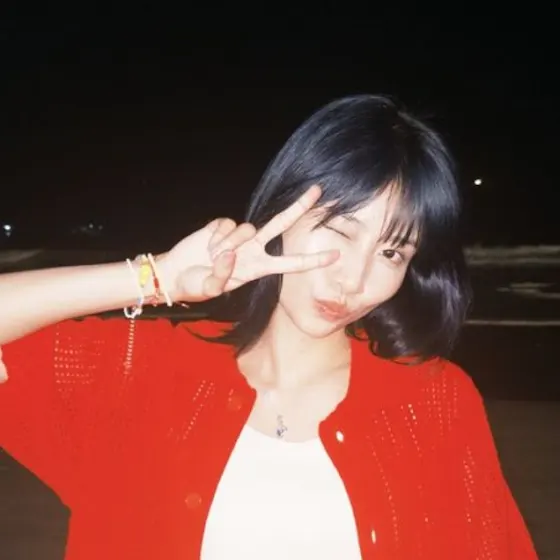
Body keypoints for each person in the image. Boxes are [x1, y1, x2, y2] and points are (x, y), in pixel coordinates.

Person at [0, 95, 537, 559]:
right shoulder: (141, 371)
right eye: (339, 230)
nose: (353, 279)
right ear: (284, 211)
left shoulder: (433, 402)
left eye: (392, 252)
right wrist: (158, 276)